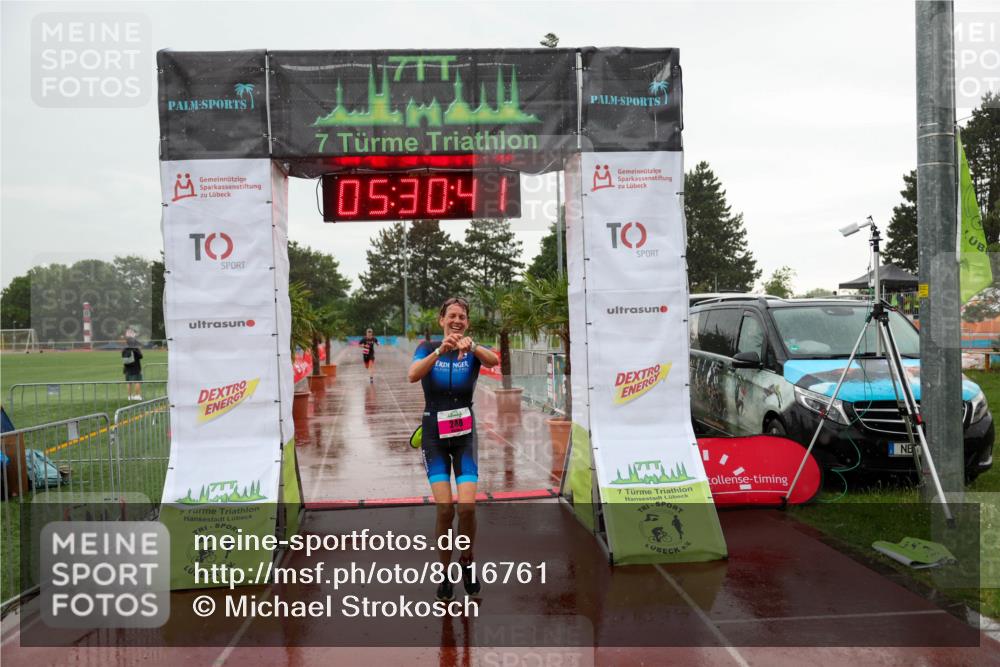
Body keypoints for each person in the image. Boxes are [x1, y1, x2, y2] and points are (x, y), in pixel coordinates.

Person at [408, 297, 498, 602]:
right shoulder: (426, 347)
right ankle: (445, 572)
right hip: (434, 434)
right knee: (446, 510)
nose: (457, 321)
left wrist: (471, 348)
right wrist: (439, 351)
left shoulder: (472, 350)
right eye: (452, 316)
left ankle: (468, 561)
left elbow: (493, 361)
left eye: (462, 317)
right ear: (441, 320)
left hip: (464, 437)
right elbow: (412, 374)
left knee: (468, 507)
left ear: (467, 323)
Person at [121, 336, 144, 400]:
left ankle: (129, 396)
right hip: (136, 368)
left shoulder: (124, 350)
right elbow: (141, 356)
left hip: (127, 368)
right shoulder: (135, 349)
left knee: (128, 382)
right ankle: (137, 395)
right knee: (137, 381)